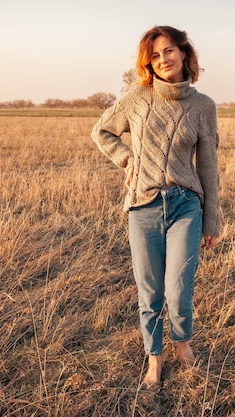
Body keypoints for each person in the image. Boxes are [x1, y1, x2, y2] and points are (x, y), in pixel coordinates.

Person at [91, 25, 220, 387]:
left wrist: (212, 218)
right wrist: (126, 157)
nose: (162, 59)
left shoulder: (203, 107)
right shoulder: (137, 97)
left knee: (180, 289)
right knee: (150, 291)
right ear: (148, 62)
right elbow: (102, 131)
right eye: (154, 55)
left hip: (185, 206)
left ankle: (183, 345)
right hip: (143, 206)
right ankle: (154, 358)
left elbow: (208, 166)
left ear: (183, 53)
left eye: (168, 51)